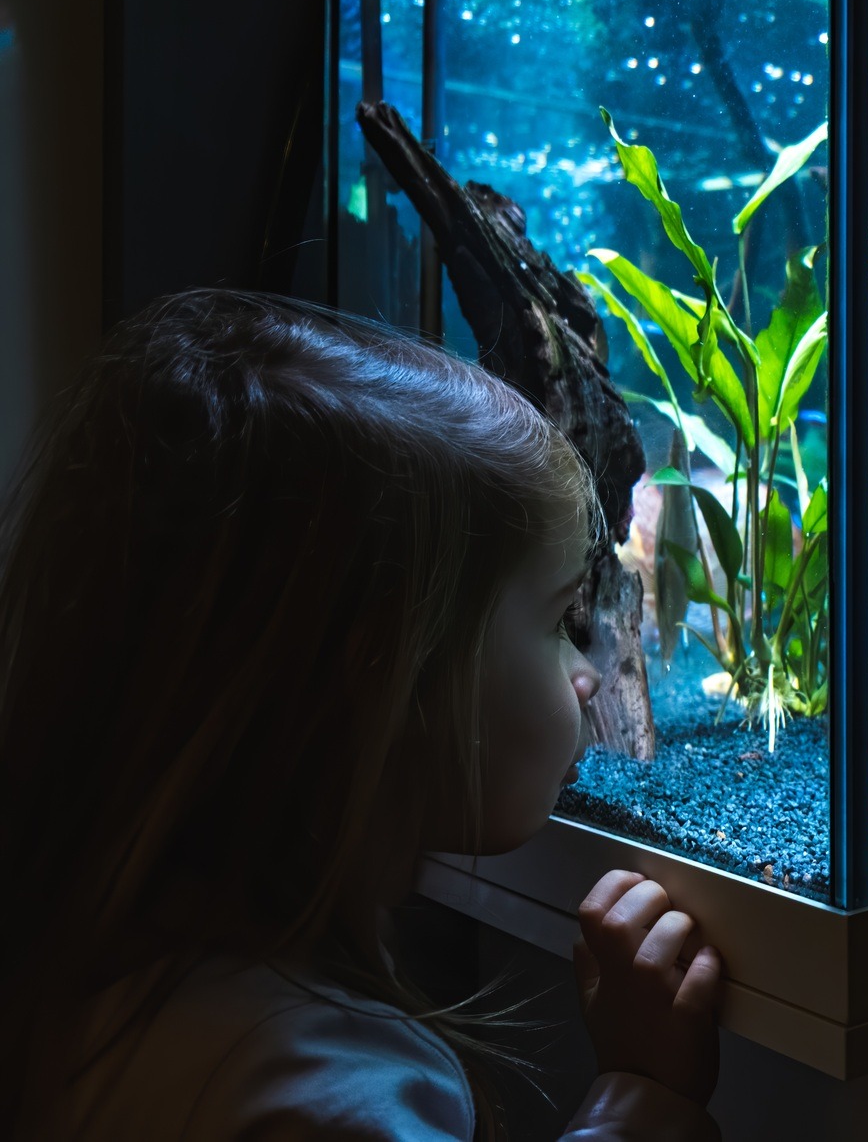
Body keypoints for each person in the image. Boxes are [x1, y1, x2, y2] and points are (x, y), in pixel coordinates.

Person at [0, 290, 725, 1139]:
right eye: (558, 620)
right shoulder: (321, 1094)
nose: (587, 675)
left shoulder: (112, 975)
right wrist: (640, 1095)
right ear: (388, 672)